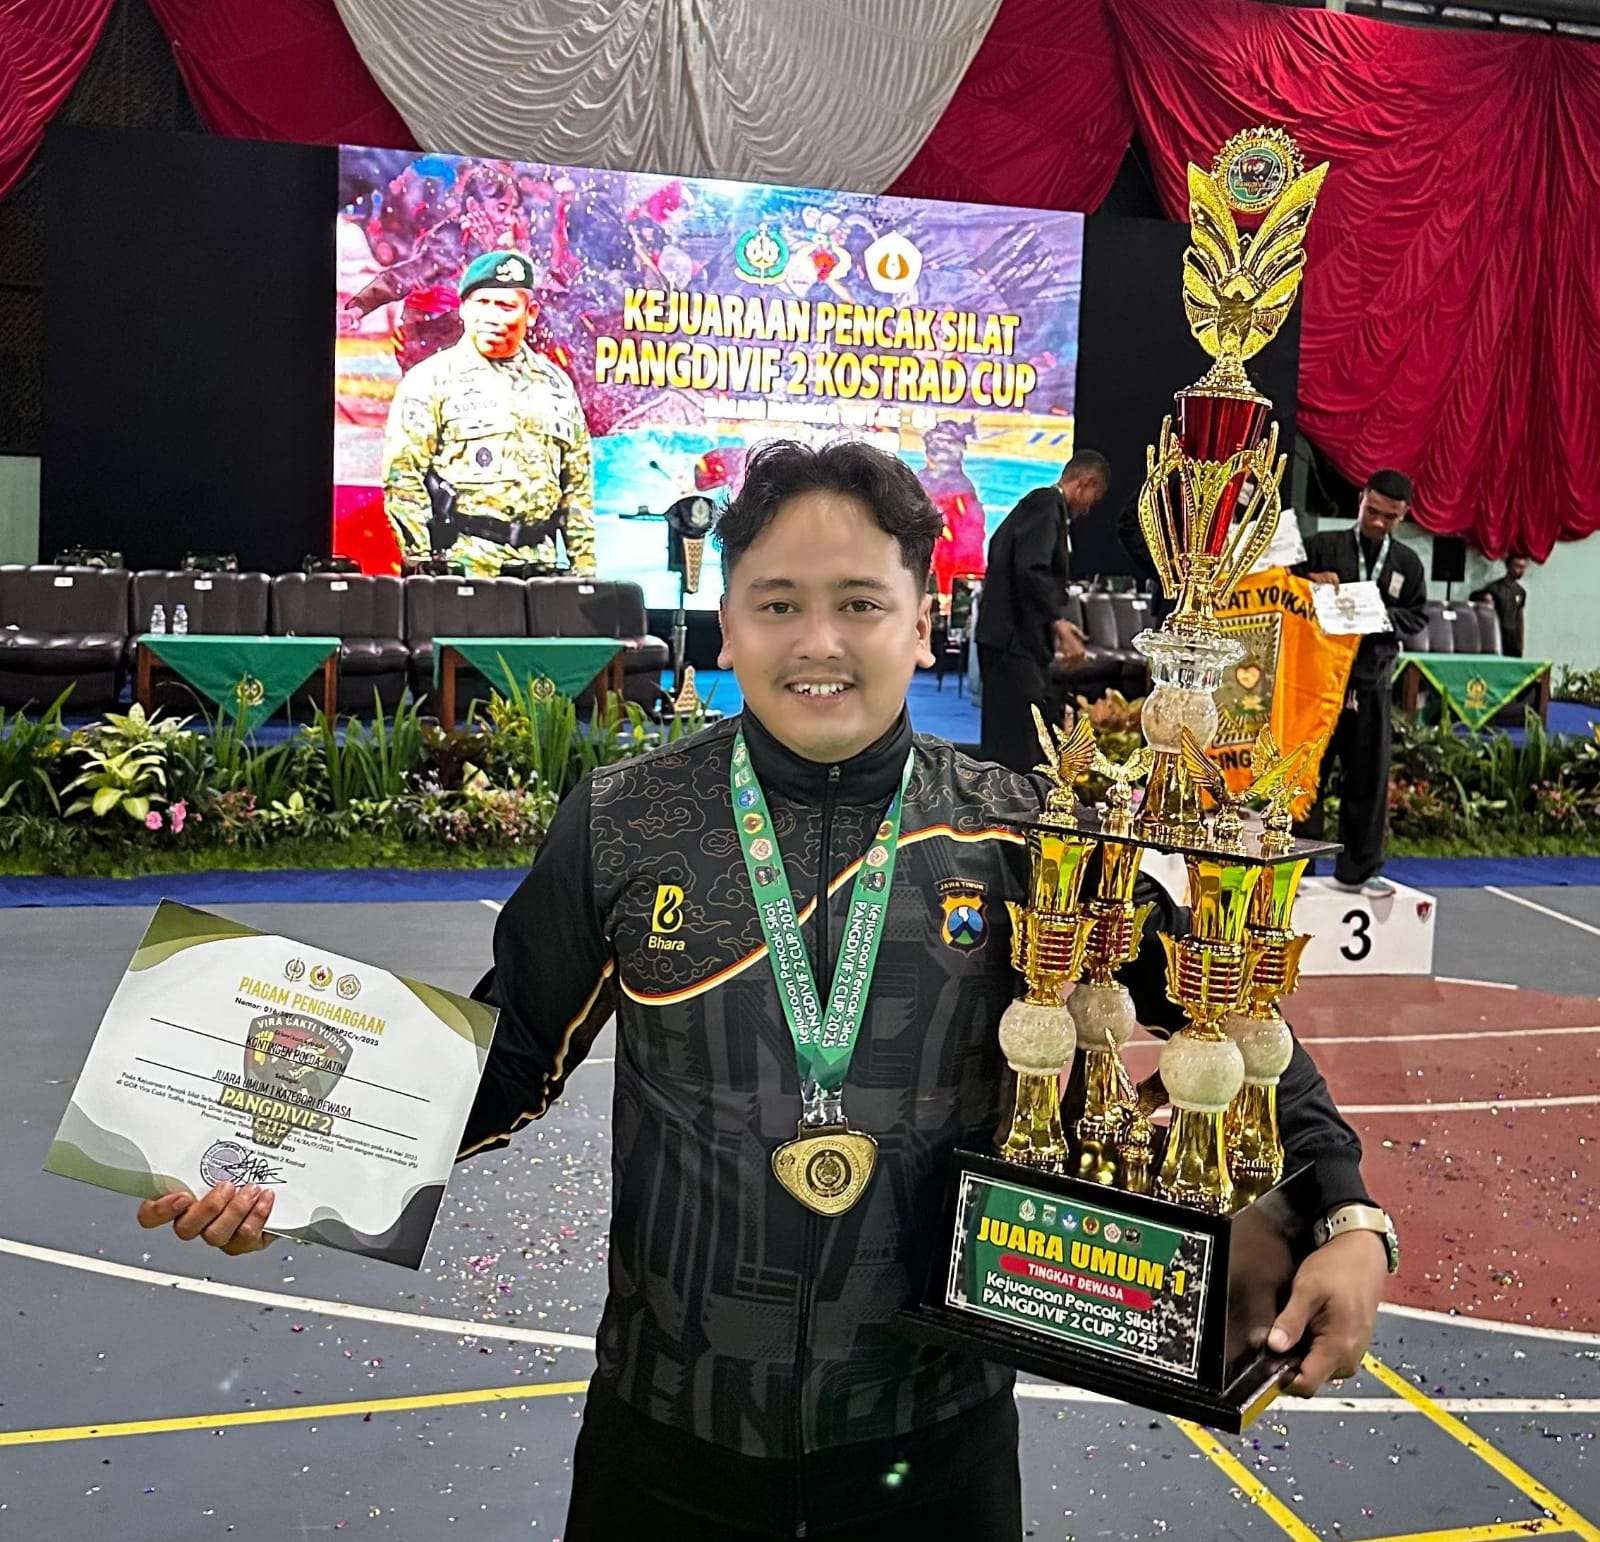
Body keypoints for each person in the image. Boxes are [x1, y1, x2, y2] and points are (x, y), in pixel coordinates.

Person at [138, 441, 1392, 1542]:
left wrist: (1344, 1214)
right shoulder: (626, 823)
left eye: (860, 603)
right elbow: (506, 1059)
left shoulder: (1023, 835)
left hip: (932, 1448)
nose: (818, 642)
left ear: (923, 624)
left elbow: (1224, 1006)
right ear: (725, 626)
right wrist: (278, 1164)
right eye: (777, 603)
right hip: (665, 1446)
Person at [382, 249, 597, 576]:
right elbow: (402, 480)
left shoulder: (557, 386)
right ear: (463, 309)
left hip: (540, 568)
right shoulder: (430, 380)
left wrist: (585, 574)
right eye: (482, 303)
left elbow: (577, 490)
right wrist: (423, 566)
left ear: (531, 313)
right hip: (463, 568)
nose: (492, 317)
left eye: (506, 306)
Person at [1296, 469, 1428, 896]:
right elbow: (1284, 590)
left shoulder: (1407, 563)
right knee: (1306, 774)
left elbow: (1417, 616)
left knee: (1368, 778)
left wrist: (1380, 614)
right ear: (1360, 500)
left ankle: (1360, 870)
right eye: (1372, 511)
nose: (1377, 522)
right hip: (1318, 683)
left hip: (1371, 682)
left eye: (1389, 517)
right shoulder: (1322, 546)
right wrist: (1309, 584)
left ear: (1403, 516)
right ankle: (1292, 868)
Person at [974, 450, 1110, 771]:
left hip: (1007, 638)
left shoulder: (1037, 507)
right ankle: (1012, 799)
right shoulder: (1047, 505)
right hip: (1012, 643)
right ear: (1086, 482)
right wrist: (1057, 622)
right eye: (1093, 499)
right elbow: (1031, 569)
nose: (1088, 509)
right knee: (1020, 740)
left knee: (1008, 735)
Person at [1471, 555, 1530, 657]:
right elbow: (1473, 597)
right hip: (1498, 635)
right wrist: (1485, 597)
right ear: (1508, 566)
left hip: (1513, 638)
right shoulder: (1495, 588)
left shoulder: (1521, 592)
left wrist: (1520, 642)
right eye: (1517, 566)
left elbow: (1519, 617)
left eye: (1523, 567)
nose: (1520, 571)